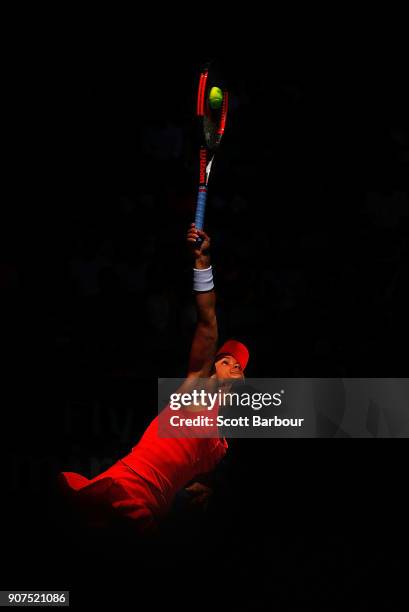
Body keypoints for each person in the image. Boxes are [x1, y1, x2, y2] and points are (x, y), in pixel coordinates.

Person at [58, 223, 249, 535]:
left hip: (153, 511)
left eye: (239, 365)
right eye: (226, 360)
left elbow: (196, 476)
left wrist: (202, 489)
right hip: (123, 490)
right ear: (217, 365)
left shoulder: (223, 445)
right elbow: (207, 321)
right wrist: (202, 263)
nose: (233, 366)